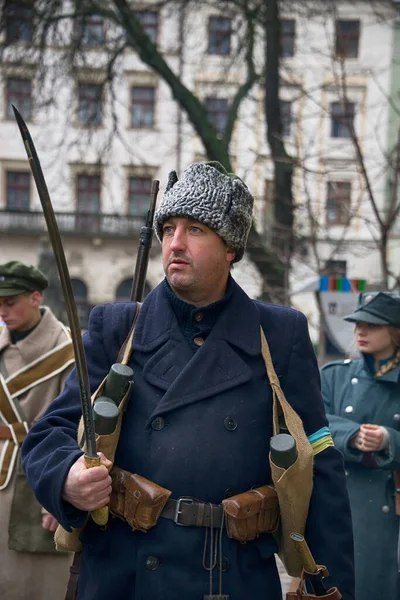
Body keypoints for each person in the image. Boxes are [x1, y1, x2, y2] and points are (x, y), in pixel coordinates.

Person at [22, 162, 354, 600]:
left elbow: (319, 463)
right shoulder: (117, 328)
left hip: (231, 576)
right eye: (169, 229)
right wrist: (66, 476)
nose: (175, 244)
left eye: (195, 230)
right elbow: (50, 434)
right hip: (124, 576)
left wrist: (331, 588)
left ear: (231, 247)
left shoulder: (279, 335)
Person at [0, 261, 75, 599]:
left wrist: (59, 495)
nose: (3, 310)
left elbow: (76, 428)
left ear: (35, 297)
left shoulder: (68, 351)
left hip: (39, 473)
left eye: (9, 301)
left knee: (36, 582)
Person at [320, 291, 400, 600]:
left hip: (388, 505)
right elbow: (310, 426)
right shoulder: (335, 376)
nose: (360, 331)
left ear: (395, 330)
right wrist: (351, 436)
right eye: (358, 324)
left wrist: (387, 439)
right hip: (337, 500)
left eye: (372, 325)